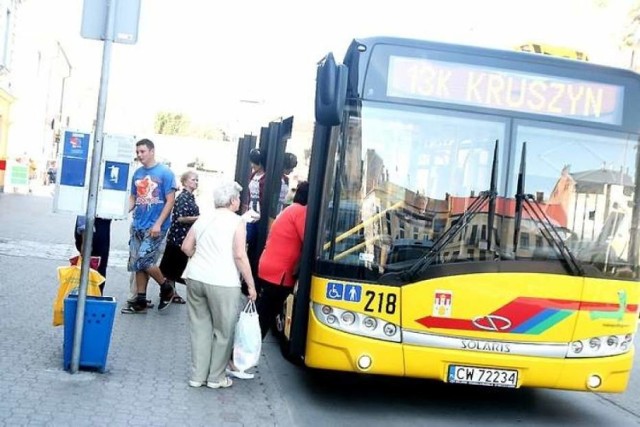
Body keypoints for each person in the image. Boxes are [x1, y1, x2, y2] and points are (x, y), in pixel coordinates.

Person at [181, 181, 257, 389]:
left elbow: (186, 247)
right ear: (232, 201)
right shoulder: (237, 222)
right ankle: (216, 378)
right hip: (223, 281)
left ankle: (197, 377)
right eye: (238, 199)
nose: (239, 202)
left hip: (196, 277)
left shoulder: (203, 218)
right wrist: (251, 285)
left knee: (200, 328)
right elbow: (240, 255)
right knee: (223, 332)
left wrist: (199, 258)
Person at [121, 138, 177, 314]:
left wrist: (159, 224)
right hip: (138, 223)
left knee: (144, 260)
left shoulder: (165, 173)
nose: (139, 155)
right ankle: (141, 300)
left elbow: (170, 200)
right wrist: (123, 212)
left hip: (155, 226)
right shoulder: (137, 174)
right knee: (137, 263)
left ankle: (166, 287)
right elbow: (133, 197)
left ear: (152, 151)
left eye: (142, 151)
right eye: (137, 152)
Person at [256, 181, 309, 339]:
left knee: (263, 313)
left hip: (269, 266)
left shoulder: (290, 209)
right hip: (280, 273)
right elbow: (309, 239)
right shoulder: (302, 212)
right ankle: (243, 354)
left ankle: (243, 352)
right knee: (264, 316)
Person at [158, 170, 200, 304]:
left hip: (182, 237)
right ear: (185, 181)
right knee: (173, 266)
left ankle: (170, 292)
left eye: (197, 180)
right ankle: (168, 292)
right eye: (193, 179)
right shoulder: (183, 197)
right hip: (179, 237)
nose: (196, 182)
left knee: (173, 267)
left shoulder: (190, 197)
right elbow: (181, 218)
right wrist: (199, 218)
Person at [73, 215, 112, 294]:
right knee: (92, 270)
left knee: (97, 272)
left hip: (102, 225)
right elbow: (85, 211)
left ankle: (93, 299)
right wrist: (85, 238)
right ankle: (87, 300)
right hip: (92, 229)